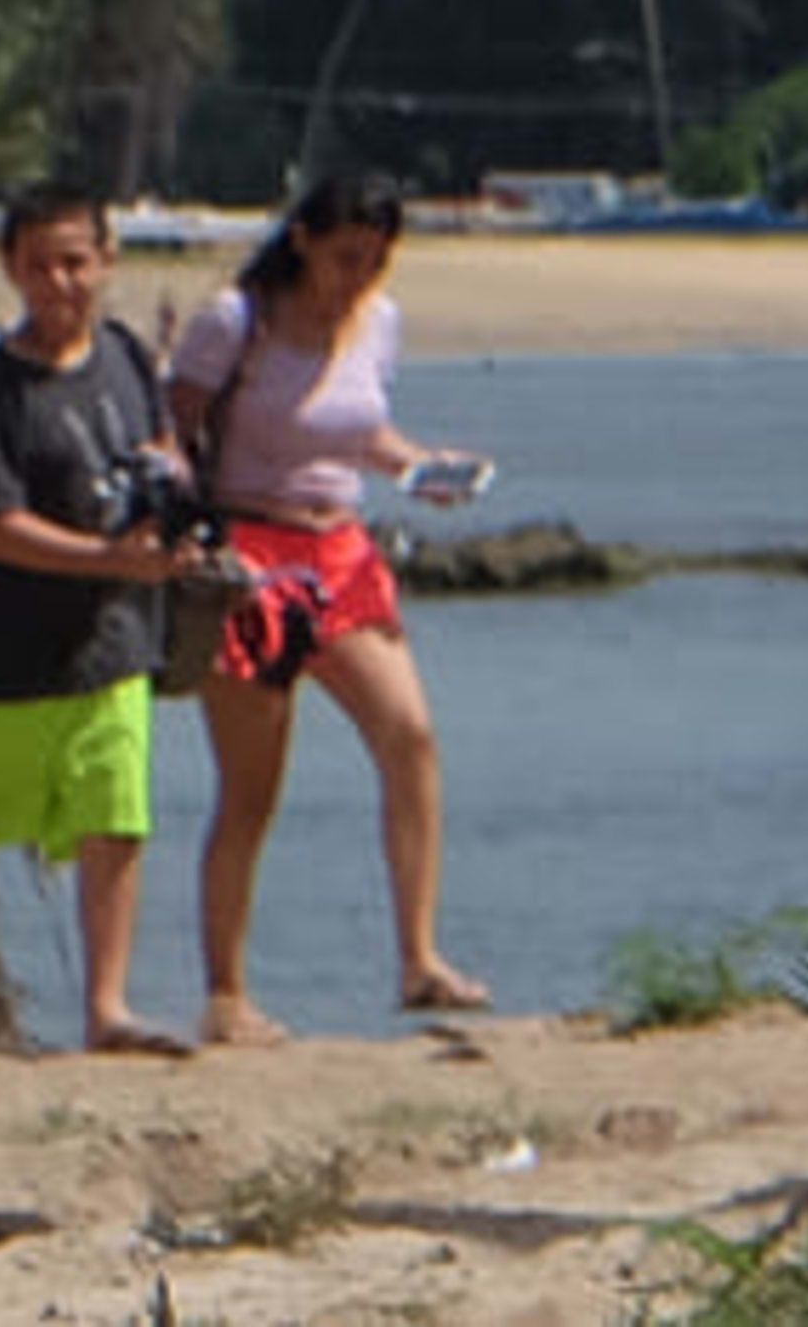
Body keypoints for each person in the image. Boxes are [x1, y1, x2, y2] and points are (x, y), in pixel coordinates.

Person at [0, 181, 224, 1057]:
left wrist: (173, 520)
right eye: (38, 264)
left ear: (107, 261)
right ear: (11, 269)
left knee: (116, 816)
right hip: (3, 656)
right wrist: (109, 559)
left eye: (75, 261)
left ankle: (108, 1008)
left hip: (114, 643)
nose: (59, 281)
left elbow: (161, 457)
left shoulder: (121, 356)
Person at [170, 174, 489, 1042]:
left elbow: (356, 430)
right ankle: (226, 993)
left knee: (410, 735)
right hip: (251, 549)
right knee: (253, 786)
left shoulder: (377, 321)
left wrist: (417, 467)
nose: (360, 275)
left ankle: (419, 958)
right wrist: (191, 547)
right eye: (348, 256)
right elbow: (175, 435)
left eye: (377, 259)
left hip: (340, 548)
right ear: (304, 238)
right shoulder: (235, 321)